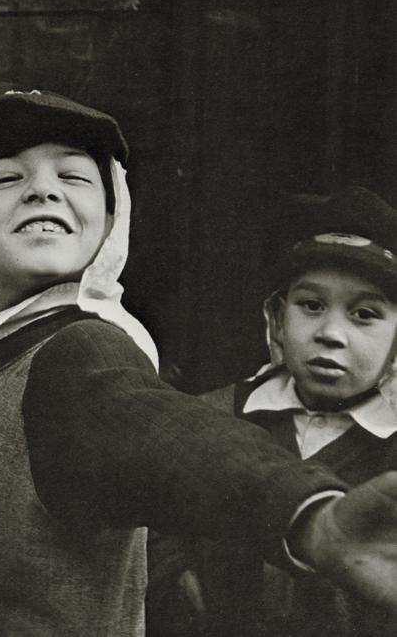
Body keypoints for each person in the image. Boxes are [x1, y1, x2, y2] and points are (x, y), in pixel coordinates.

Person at [0, 90, 397, 636]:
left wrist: (311, 517)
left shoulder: (82, 352)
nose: (42, 188)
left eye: (73, 177)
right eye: (6, 179)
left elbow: (164, 433)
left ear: (109, 229)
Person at [146, 186, 397, 637]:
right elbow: (150, 516)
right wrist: (173, 574)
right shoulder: (211, 417)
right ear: (278, 320)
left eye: (364, 314)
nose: (331, 334)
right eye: (311, 306)